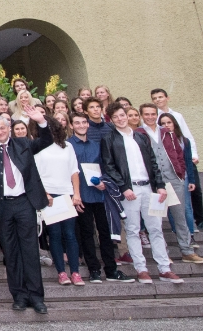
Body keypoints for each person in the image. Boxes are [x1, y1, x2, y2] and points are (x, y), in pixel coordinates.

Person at [100, 103, 182, 284]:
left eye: (122, 115)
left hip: (148, 189)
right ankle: (141, 269)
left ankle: (164, 269)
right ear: (111, 120)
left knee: (156, 229)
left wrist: (160, 185)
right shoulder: (109, 139)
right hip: (130, 191)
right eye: (116, 117)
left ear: (128, 115)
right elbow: (109, 166)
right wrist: (123, 187)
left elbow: (153, 162)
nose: (120, 119)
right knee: (133, 230)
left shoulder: (140, 136)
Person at [0, 105, 52, 314]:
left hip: (24, 203)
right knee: (11, 253)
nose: (0, 132)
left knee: (30, 251)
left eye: (3, 128)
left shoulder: (23, 143)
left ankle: (36, 297)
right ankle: (19, 296)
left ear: (9, 128)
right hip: (2, 206)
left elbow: (47, 140)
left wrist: (41, 122)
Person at [68, 114, 132, 283]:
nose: (81, 125)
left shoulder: (97, 145)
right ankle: (94, 269)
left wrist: (103, 181)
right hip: (81, 196)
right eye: (77, 123)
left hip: (100, 195)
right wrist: (74, 195)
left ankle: (111, 270)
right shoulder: (67, 146)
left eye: (84, 122)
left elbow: (106, 167)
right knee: (87, 233)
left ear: (88, 125)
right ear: (71, 125)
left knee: (105, 233)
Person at [138, 106, 203, 263]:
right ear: (142, 116)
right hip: (153, 182)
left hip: (173, 179)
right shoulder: (138, 134)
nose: (150, 117)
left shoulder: (167, 132)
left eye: (153, 114)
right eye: (146, 114)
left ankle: (187, 251)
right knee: (156, 220)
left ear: (157, 115)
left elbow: (179, 154)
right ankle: (163, 253)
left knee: (180, 215)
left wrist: (180, 173)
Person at [150, 89, 203, 233]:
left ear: (167, 98)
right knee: (172, 201)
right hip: (167, 167)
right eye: (154, 98)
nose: (158, 100)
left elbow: (187, 136)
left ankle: (199, 222)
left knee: (194, 191)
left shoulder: (177, 115)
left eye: (160, 97)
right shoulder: (154, 117)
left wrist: (194, 154)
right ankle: (180, 228)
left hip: (184, 161)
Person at [34, 118, 84, 286]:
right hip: (49, 195)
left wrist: (76, 193)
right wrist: (46, 194)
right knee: (55, 234)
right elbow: (36, 174)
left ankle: (75, 272)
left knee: (70, 234)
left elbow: (74, 171)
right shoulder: (39, 147)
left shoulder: (67, 146)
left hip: (66, 194)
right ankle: (61, 272)